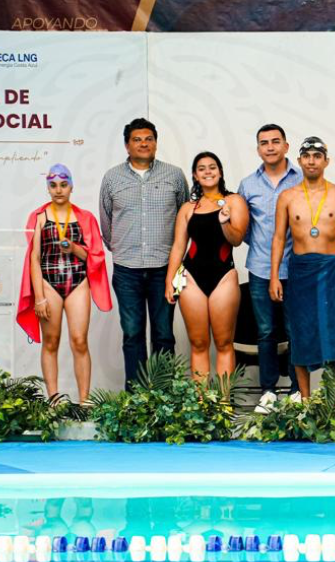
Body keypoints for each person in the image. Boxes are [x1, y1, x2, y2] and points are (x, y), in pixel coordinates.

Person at [270, 137, 335, 397]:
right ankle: (307, 400)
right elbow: (279, 237)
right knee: (302, 333)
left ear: (326, 161)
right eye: (307, 156)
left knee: (334, 331)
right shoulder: (287, 197)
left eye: (317, 156)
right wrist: (274, 276)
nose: (312, 161)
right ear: (299, 160)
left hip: (331, 269)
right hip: (300, 270)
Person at [99, 118, 188, 388]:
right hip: (127, 271)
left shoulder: (174, 175)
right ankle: (137, 397)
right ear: (127, 145)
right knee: (133, 334)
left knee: (163, 334)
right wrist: (124, 249)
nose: (143, 143)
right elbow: (106, 223)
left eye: (149, 138)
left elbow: (184, 217)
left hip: (165, 268)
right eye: (137, 139)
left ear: (156, 143)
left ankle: (163, 396)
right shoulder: (112, 178)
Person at [16, 165, 113, 403]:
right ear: (47, 188)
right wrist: (38, 296)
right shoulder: (39, 218)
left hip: (77, 282)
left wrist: (74, 248)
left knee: (79, 340)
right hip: (48, 284)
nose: (58, 190)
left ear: (71, 186)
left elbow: (95, 256)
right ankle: (54, 399)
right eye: (53, 185)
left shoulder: (85, 218)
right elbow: (34, 259)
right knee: (51, 341)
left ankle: (84, 401)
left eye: (63, 184)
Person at [164, 152, 250, 382]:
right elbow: (178, 246)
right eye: (202, 168)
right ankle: (202, 408)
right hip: (191, 278)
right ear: (195, 175)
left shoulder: (234, 201)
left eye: (212, 167)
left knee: (223, 343)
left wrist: (224, 223)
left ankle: (223, 405)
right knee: (199, 343)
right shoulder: (187, 208)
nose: (208, 171)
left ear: (220, 172)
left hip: (223, 276)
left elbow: (237, 239)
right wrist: (169, 280)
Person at [238, 124, 303, 400]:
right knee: (265, 332)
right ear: (258, 149)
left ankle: (298, 390)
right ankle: (268, 391)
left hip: (297, 268)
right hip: (260, 268)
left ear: (286, 146)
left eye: (276, 141)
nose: (270, 147)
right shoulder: (248, 184)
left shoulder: (301, 180)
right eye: (264, 143)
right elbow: (242, 226)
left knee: (295, 329)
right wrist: (263, 247)